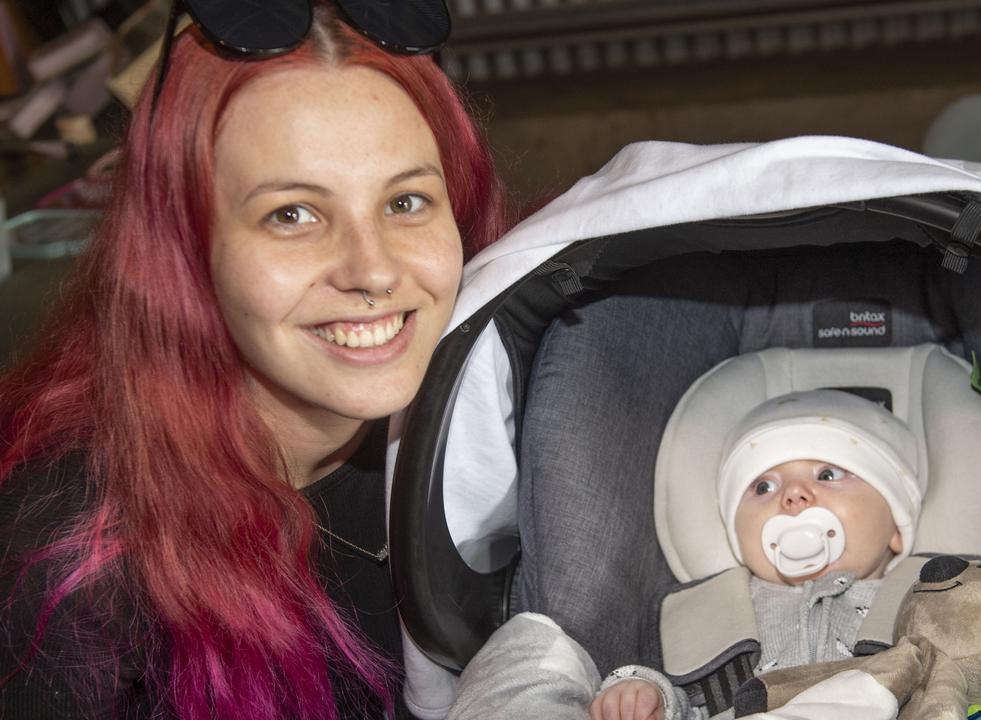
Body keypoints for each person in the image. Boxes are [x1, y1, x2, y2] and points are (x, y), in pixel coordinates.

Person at [0, 3, 506, 718]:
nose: (372, 270)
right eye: (292, 214)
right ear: (183, 250)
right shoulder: (73, 565)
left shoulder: (492, 438)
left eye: (406, 201)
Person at [591, 389, 923, 720]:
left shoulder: (926, 599)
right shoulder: (720, 610)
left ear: (896, 525)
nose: (794, 494)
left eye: (828, 474)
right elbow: (693, 706)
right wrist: (648, 694)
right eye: (764, 487)